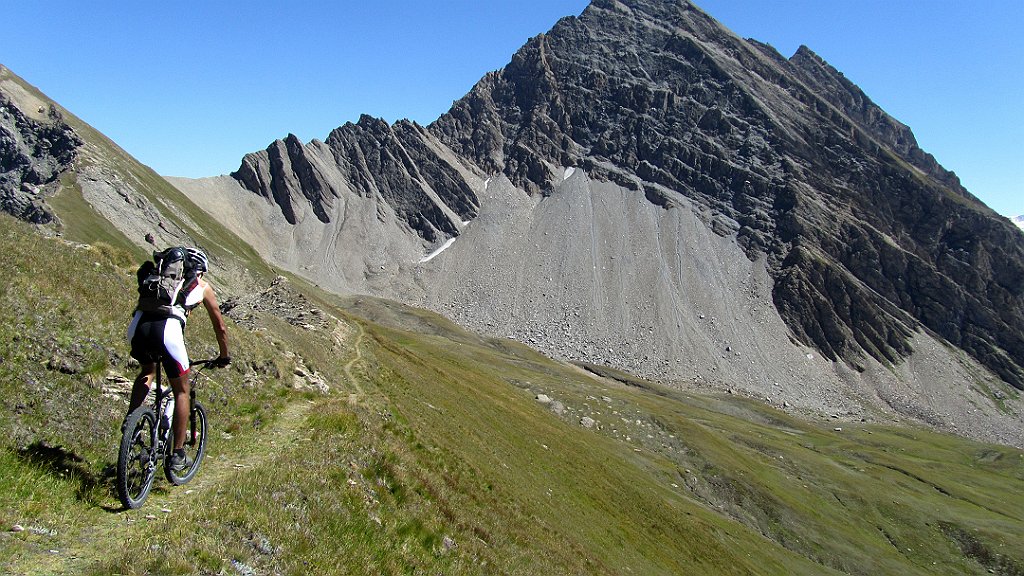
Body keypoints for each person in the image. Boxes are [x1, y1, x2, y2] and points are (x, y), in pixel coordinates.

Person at [126, 247, 230, 471]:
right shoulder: (201, 286)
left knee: (147, 371)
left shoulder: (159, 279)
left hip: (138, 328)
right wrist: (224, 356)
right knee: (181, 391)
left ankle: (130, 422)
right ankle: (178, 454)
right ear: (200, 270)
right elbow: (220, 327)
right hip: (167, 332)